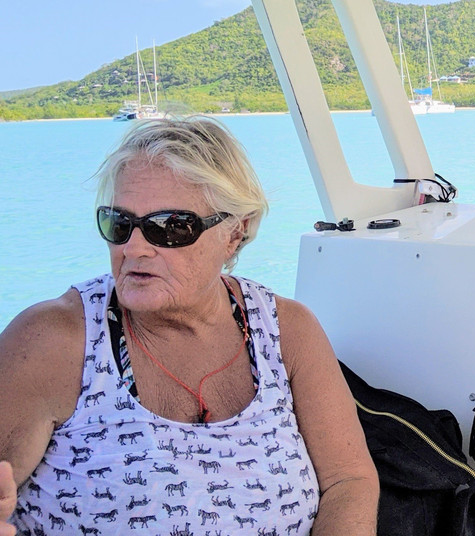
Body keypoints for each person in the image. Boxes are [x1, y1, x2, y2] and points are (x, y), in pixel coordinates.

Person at [0, 117, 378, 534]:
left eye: (172, 227)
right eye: (119, 224)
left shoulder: (287, 331)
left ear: (237, 231)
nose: (134, 249)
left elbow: (349, 480)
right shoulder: (52, 340)